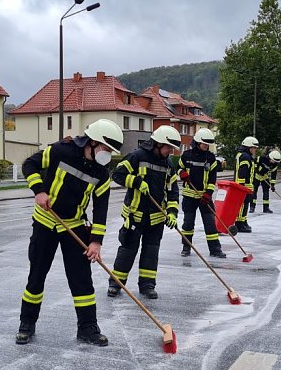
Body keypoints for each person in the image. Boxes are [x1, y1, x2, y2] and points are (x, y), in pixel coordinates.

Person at [16, 118, 124, 346]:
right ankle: (27, 323)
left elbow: (101, 207)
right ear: (93, 142)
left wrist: (96, 242)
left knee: (82, 279)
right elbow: (29, 165)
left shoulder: (101, 173)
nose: (108, 154)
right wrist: (39, 190)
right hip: (46, 221)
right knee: (37, 275)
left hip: (74, 224)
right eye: (106, 149)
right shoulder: (60, 151)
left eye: (111, 151)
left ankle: (88, 328)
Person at [107, 125, 181, 299]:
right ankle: (116, 284)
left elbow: (173, 191)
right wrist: (136, 182)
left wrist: (172, 213)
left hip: (156, 218)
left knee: (151, 252)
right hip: (135, 215)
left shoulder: (168, 164)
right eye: (168, 147)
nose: (170, 151)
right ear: (158, 143)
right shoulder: (137, 156)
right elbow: (117, 174)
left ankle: (147, 285)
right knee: (127, 250)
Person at [177, 128, 225, 258]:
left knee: (210, 224)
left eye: (208, 144)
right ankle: (186, 247)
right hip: (189, 196)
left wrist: (208, 193)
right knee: (188, 224)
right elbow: (179, 168)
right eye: (205, 144)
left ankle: (215, 249)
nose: (207, 146)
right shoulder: (186, 155)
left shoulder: (211, 158)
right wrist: (182, 173)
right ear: (198, 142)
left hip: (205, 197)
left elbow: (212, 178)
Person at [233, 136, 258, 233]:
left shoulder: (243, 155)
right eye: (254, 148)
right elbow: (242, 172)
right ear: (248, 147)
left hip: (245, 185)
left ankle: (244, 221)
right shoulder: (245, 157)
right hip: (243, 186)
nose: (255, 150)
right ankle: (240, 224)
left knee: (245, 204)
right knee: (242, 205)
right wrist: (242, 185)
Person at [252, 148, 281, 214]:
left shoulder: (275, 165)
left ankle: (266, 208)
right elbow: (253, 162)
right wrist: (256, 169)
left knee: (266, 192)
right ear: (270, 157)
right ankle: (252, 207)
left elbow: (273, 175)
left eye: (276, 162)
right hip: (256, 176)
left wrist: (273, 185)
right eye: (273, 161)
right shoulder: (261, 158)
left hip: (264, 177)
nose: (274, 163)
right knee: (254, 191)